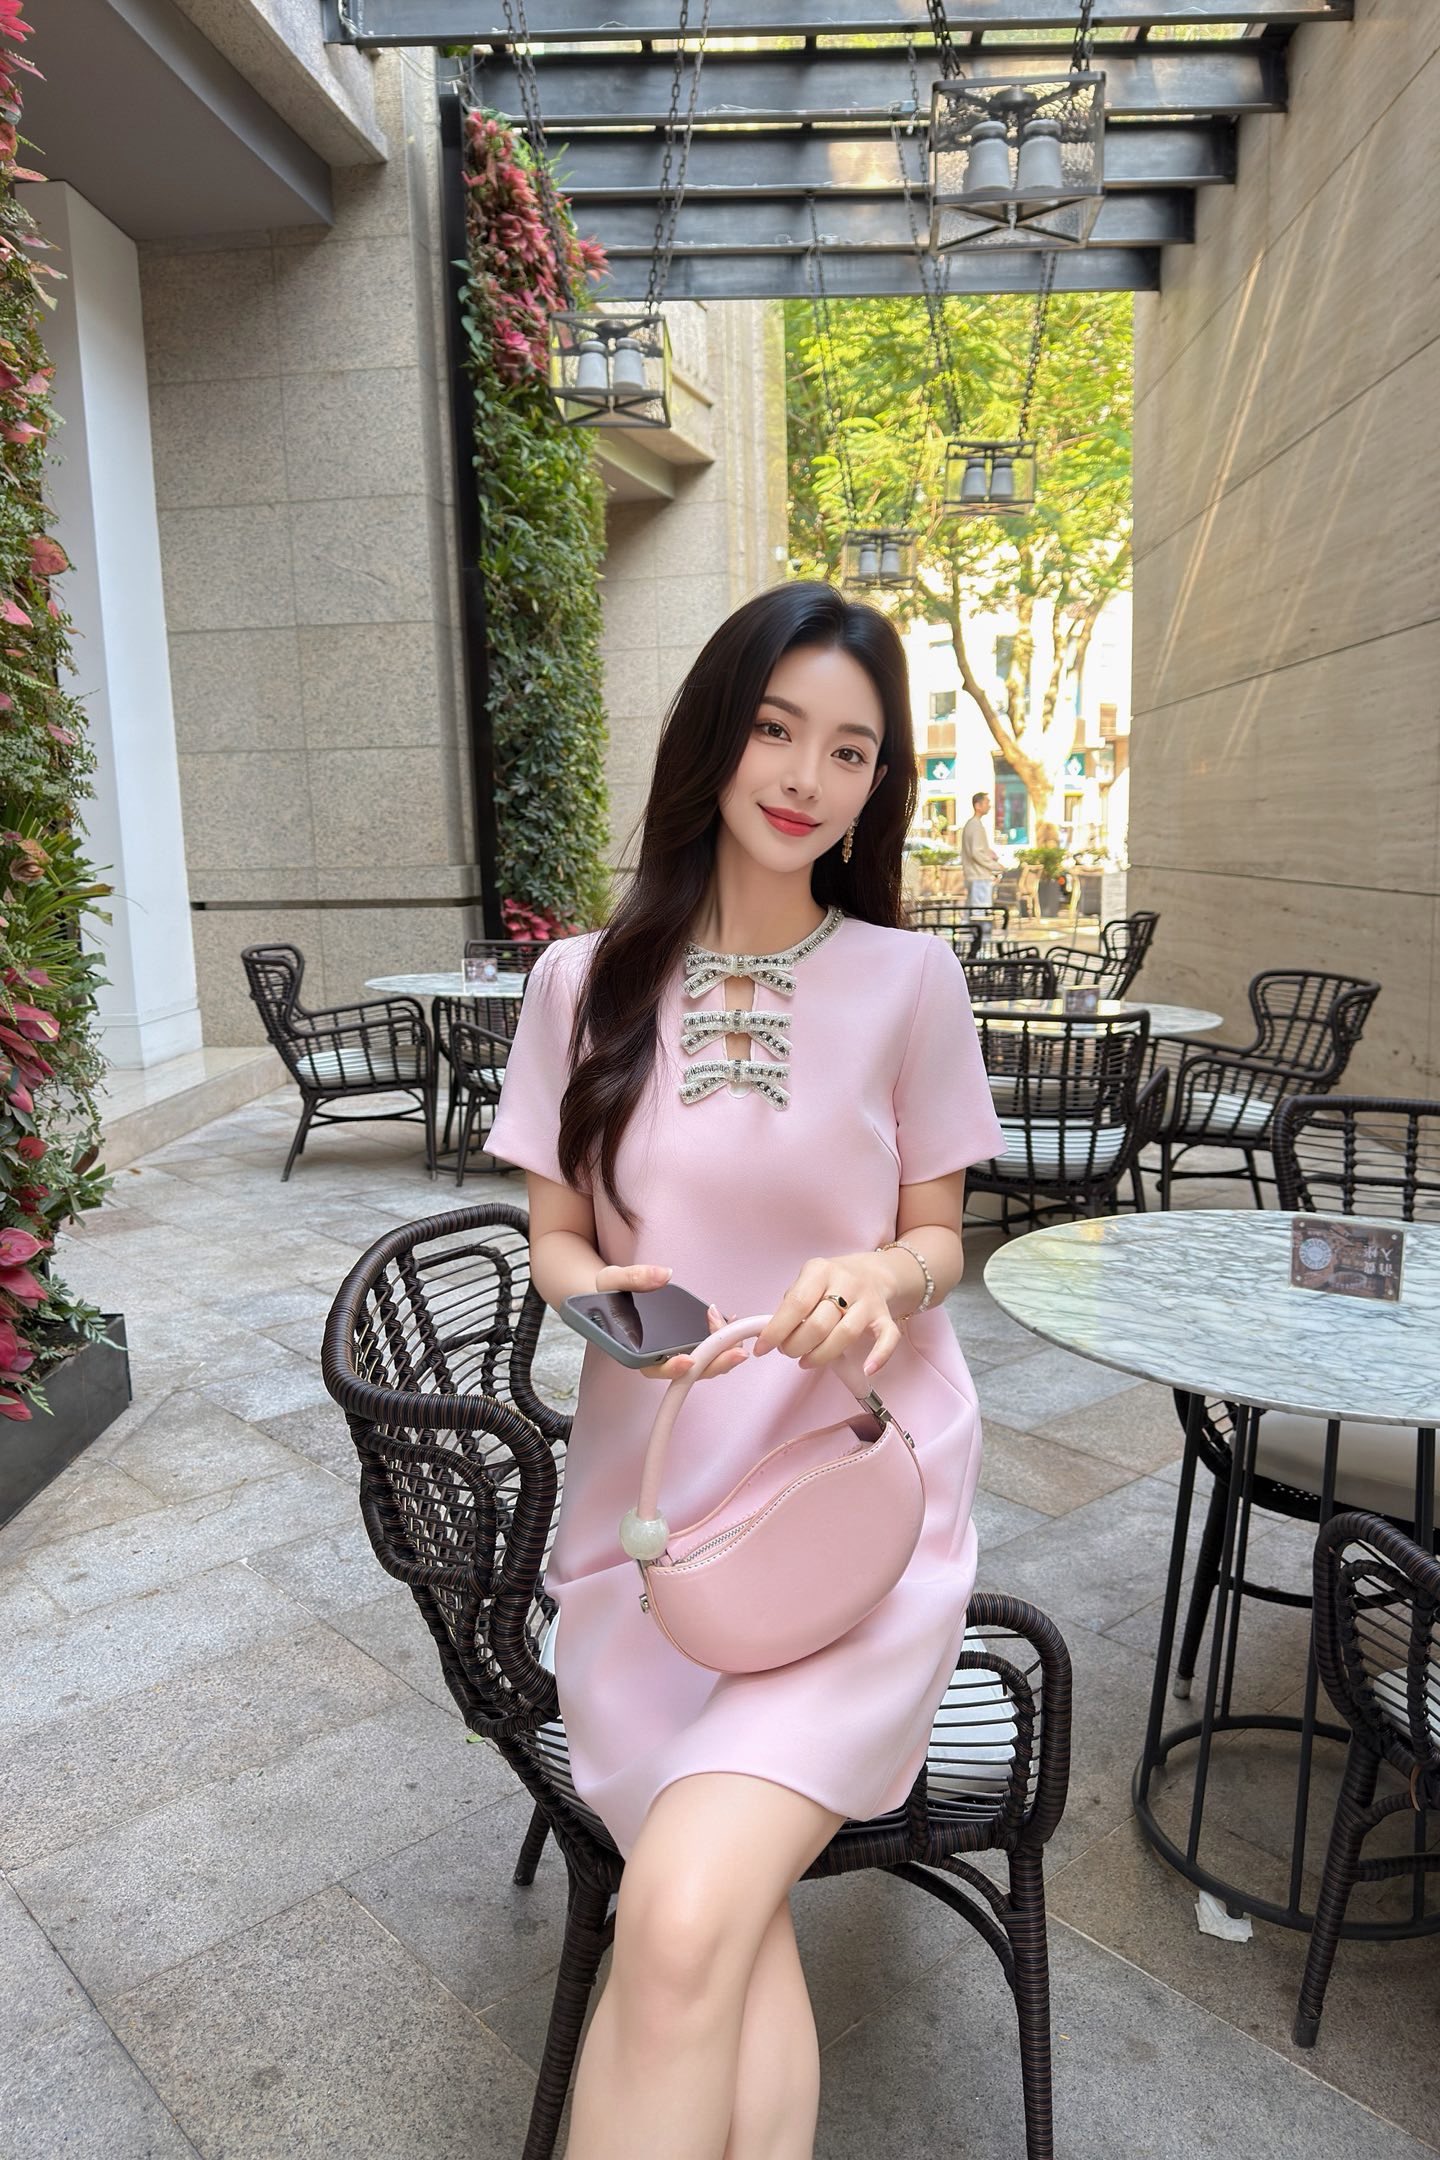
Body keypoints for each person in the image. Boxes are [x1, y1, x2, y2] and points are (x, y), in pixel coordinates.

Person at [486, 581, 1003, 2160]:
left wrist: (884, 1275)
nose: (805, 777)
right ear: (715, 733)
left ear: (879, 783)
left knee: (681, 1914)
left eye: (851, 751)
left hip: (851, 1523)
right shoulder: (580, 982)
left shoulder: (910, 982)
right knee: (711, 1931)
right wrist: (595, 1294)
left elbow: (941, 1237)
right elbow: (555, 1237)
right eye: (777, 729)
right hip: (647, 1535)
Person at [960, 789, 1005, 910]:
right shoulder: (975, 825)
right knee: (980, 913)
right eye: (987, 802)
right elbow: (976, 852)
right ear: (977, 805)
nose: (989, 806)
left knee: (973, 912)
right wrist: (995, 866)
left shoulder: (973, 824)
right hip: (978, 876)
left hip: (975, 876)